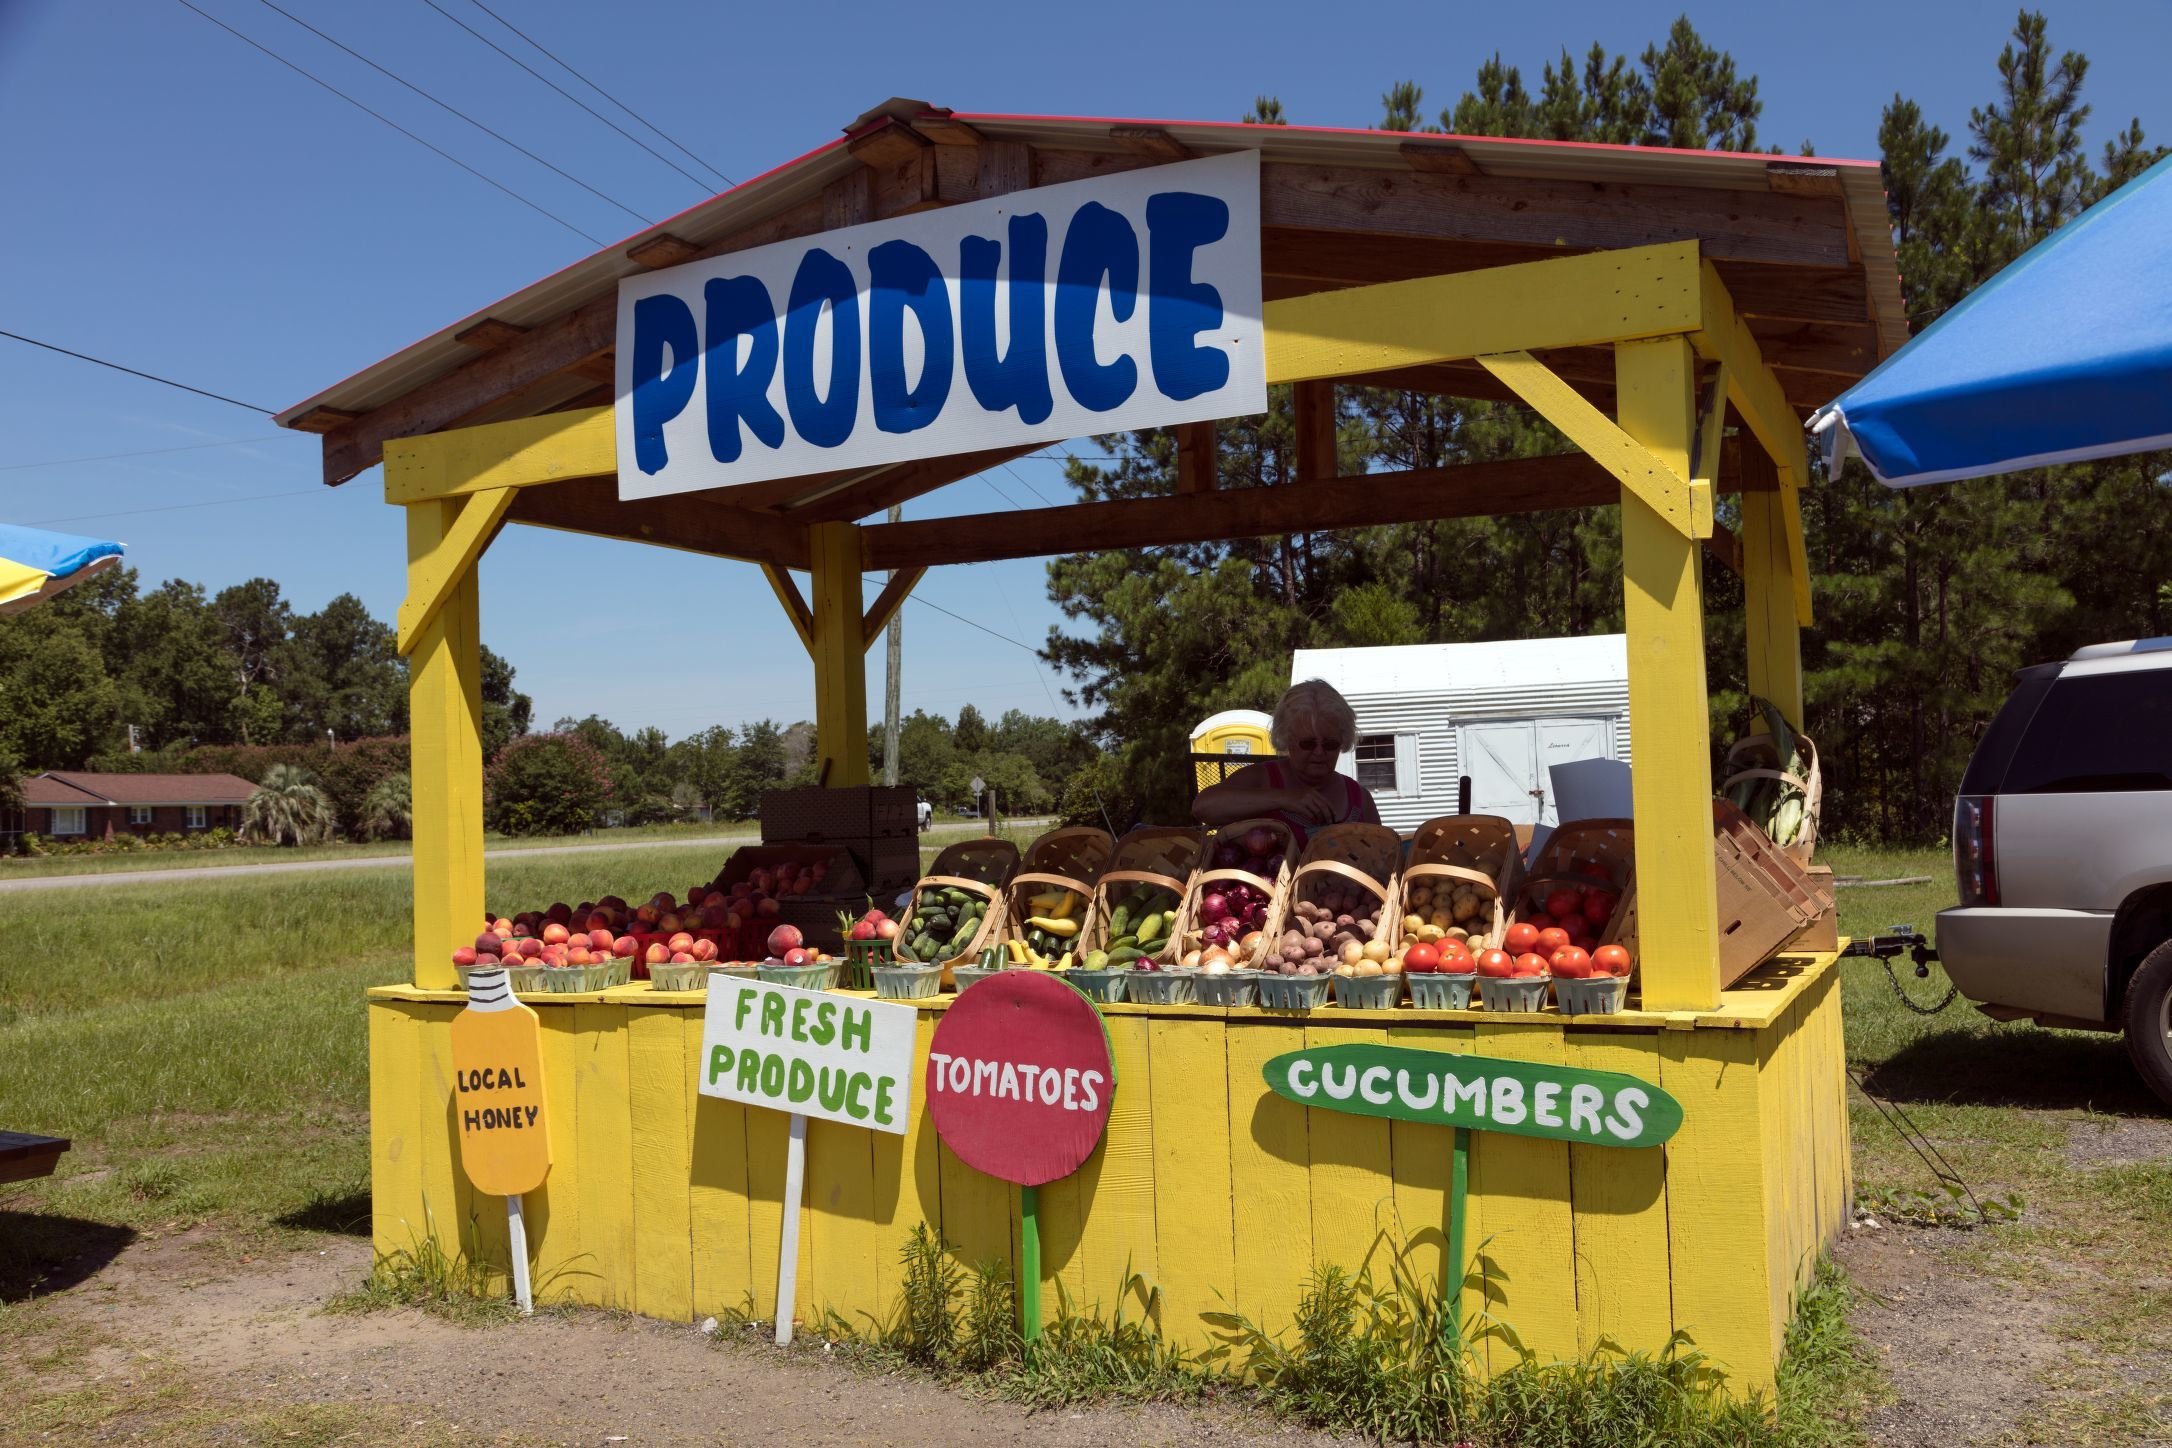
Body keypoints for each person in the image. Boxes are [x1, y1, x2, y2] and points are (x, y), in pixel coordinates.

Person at [1193, 679, 1381, 844]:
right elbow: (1204, 807)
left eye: (1330, 744)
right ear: (1286, 738)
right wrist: (1284, 798)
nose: (1319, 752)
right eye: (1307, 743)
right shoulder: (1262, 779)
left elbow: (1383, 857)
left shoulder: (1360, 799)